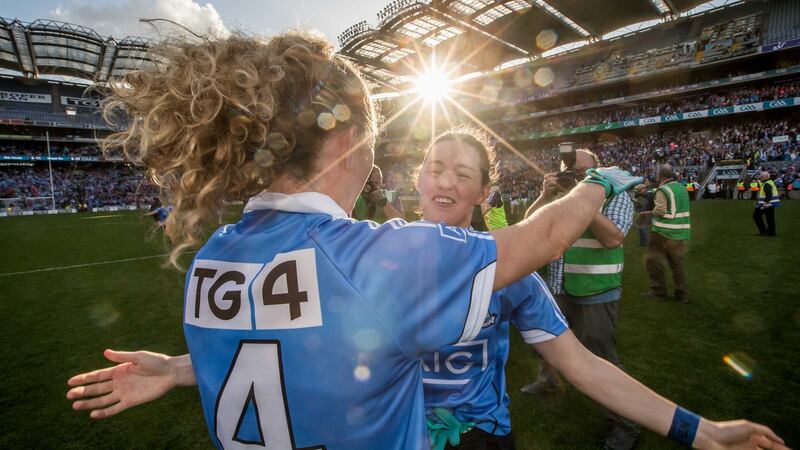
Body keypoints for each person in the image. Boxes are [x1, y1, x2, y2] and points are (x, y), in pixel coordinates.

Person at [66, 33, 786, 450]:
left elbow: (290, 346)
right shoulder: (383, 257)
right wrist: (597, 180)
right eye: (423, 162)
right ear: (345, 140)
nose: (434, 177)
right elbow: (545, 235)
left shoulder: (217, 256)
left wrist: (176, 367)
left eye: (461, 171)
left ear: (482, 192)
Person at [520, 149, 640, 450]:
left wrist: (580, 198)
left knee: (600, 359)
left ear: (598, 172)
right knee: (545, 341)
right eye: (571, 171)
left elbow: (613, 237)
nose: (578, 176)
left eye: (584, 171)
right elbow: (528, 227)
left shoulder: (616, 194)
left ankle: (626, 423)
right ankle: (548, 380)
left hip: (595, 288)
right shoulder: (560, 195)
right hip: (559, 285)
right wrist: (545, 196)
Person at [641, 165, 691, 303]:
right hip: (679, 232)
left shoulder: (662, 190)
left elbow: (661, 211)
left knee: (654, 261)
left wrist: (651, 212)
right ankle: (683, 294)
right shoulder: (681, 187)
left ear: (659, 176)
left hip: (662, 232)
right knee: (677, 264)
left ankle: (658, 292)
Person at [753, 171, 780, 237]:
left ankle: (764, 231)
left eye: (762, 176)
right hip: (770, 203)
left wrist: (765, 203)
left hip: (767, 204)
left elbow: (769, 194)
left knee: (757, 216)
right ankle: (770, 233)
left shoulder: (767, 183)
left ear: (766, 177)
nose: (760, 177)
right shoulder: (768, 182)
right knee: (769, 218)